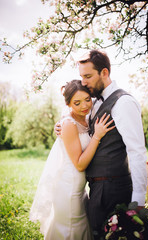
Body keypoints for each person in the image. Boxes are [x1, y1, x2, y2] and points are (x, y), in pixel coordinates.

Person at [55, 50, 148, 239]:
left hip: (114, 189)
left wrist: (138, 199)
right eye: (82, 77)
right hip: (96, 190)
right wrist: (62, 125)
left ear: (104, 73)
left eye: (88, 76)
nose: (83, 83)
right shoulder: (94, 101)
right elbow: (77, 122)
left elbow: (137, 151)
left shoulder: (124, 103)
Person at [29, 80, 115, 240]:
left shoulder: (87, 116)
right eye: (77, 103)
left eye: (87, 99)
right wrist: (97, 135)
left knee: (80, 225)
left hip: (79, 186)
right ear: (68, 104)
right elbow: (80, 164)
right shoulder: (68, 124)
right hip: (68, 188)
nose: (84, 106)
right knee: (71, 228)